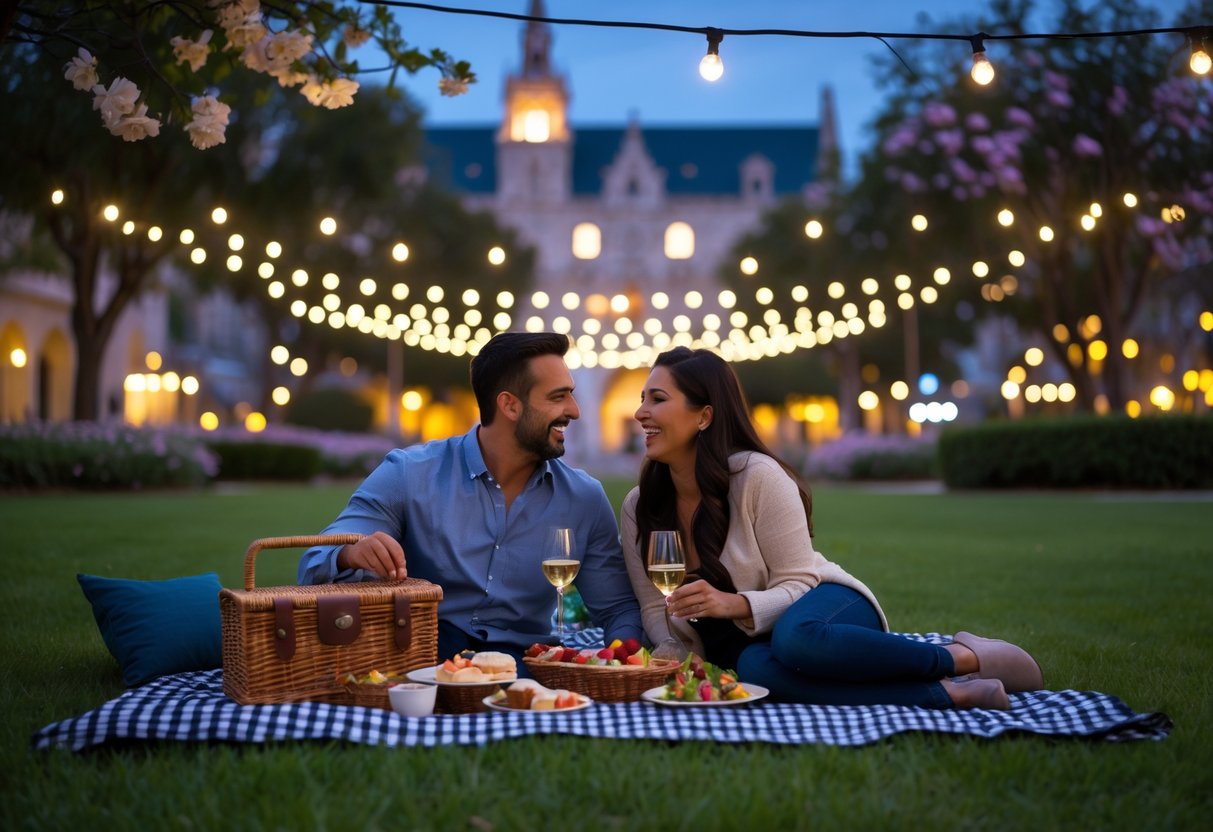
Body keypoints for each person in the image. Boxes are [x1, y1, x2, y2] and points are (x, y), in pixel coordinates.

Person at [621, 347, 1043, 710]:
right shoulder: (639, 506)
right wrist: (683, 654)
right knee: (755, 671)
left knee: (797, 641)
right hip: (751, 646)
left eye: (657, 399)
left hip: (820, 604)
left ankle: (961, 658)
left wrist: (734, 605)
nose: (641, 413)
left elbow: (799, 580)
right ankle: (950, 694)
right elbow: (655, 608)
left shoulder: (757, 477)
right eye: (642, 399)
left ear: (704, 416)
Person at [299, 331, 643, 662]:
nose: (575, 410)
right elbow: (315, 560)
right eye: (558, 396)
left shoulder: (584, 498)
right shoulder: (409, 472)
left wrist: (619, 656)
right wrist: (350, 553)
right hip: (422, 660)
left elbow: (617, 608)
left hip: (525, 667)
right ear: (510, 405)